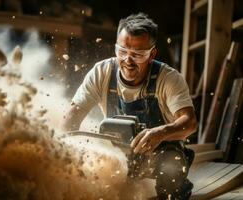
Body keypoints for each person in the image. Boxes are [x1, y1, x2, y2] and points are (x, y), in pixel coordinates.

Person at [62, 12, 197, 200]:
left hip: (159, 154)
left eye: (137, 55)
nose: (128, 60)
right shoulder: (102, 72)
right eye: (122, 51)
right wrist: (66, 153)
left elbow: (189, 122)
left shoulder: (168, 78)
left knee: (171, 168)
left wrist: (159, 133)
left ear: (152, 54)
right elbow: (71, 117)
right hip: (117, 153)